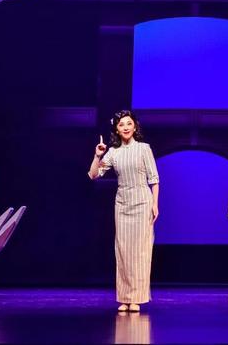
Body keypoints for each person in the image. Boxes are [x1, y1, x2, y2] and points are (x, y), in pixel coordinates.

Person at [88, 110, 160, 312]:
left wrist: (155, 204)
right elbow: (93, 175)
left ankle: (137, 297)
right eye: (121, 125)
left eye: (129, 123)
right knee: (123, 251)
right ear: (117, 130)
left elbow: (154, 179)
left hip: (142, 201)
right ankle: (125, 297)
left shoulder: (144, 148)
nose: (126, 127)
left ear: (135, 126)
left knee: (141, 251)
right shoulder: (113, 152)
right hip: (122, 203)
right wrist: (97, 156)